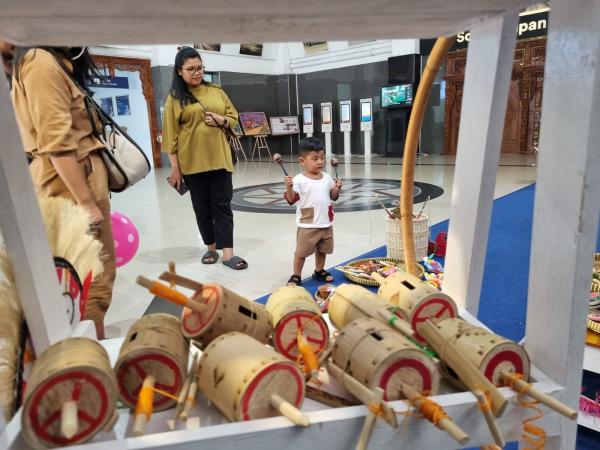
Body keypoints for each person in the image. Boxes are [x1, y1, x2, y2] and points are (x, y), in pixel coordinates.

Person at [10, 46, 116, 339]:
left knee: (88, 281)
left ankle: (88, 356)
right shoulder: (40, 61)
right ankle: (90, 364)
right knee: (89, 283)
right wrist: (85, 203)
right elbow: (56, 143)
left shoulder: (51, 61)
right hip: (69, 187)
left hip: (69, 183)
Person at [162, 46, 247, 270]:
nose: (196, 72)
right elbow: (170, 136)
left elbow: (234, 118)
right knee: (202, 208)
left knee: (223, 206)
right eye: (190, 69)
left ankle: (228, 253)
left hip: (220, 158)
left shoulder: (217, 91)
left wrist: (221, 119)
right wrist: (175, 168)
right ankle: (211, 248)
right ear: (179, 71)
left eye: (200, 68)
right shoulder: (174, 99)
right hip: (191, 163)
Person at [284, 137, 342, 286]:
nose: (320, 162)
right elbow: (291, 200)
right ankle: (296, 275)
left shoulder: (327, 177)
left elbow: (333, 196)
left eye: (322, 158)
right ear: (302, 161)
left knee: (322, 249)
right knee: (301, 252)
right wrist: (289, 187)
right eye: (315, 158)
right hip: (308, 224)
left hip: (326, 222)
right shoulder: (298, 180)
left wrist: (336, 188)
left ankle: (319, 270)